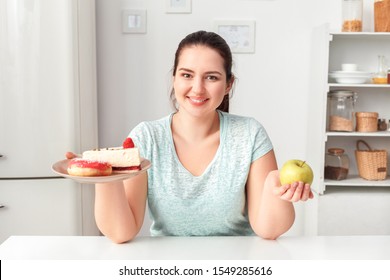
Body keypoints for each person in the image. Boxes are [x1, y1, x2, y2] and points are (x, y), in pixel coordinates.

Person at [72, 30, 313, 243]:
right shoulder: (146, 137)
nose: (197, 88)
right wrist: (104, 177)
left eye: (211, 77)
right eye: (187, 75)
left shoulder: (250, 134)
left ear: (228, 84)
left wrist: (278, 188)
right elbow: (120, 233)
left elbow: (268, 230)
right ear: (174, 77)